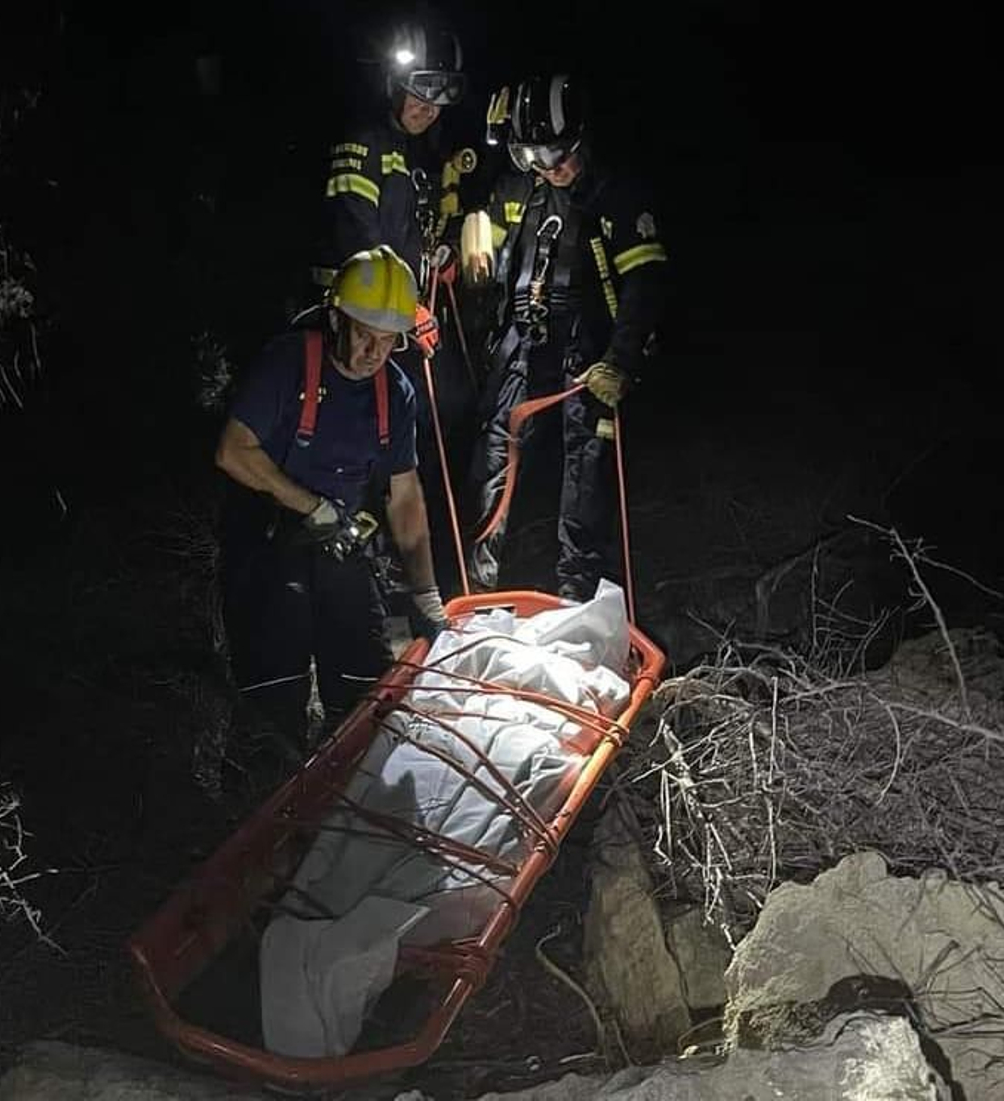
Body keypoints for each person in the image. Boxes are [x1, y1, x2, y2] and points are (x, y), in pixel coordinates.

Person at [216, 245, 447, 750]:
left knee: (366, 692)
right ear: (336, 316)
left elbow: (404, 496)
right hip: (271, 543)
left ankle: (348, 794)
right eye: (364, 334)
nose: (373, 354)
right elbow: (233, 451)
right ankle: (262, 796)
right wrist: (311, 506)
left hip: (341, 543)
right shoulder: (289, 364)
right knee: (272, 694)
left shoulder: (396, 392)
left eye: (388, 342)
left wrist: (426, 592)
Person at [459, 72, 669, 599]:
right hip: (523, 343)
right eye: (537, 158)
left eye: (561, 156)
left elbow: (644, 281)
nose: (552, 170)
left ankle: (579, 594)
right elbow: (483, 214)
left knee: (588, 470)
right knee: (492, 453)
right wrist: (472, 238)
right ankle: (473, 585)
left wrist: (621, 361)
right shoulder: (522, 188)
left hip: (588, 350)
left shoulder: (614, 195)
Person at [311, 17, 479, 599]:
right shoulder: (363, 143)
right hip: (360, 331)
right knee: (367, 445)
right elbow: (358, 241)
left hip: (400, 331)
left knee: (433, 423)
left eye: (440, 99)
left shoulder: (413, 153)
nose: (428, 109)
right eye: (420, 93)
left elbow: (412, 235)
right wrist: (407, 311)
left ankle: (423, 575)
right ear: (394, 82)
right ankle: (364, 576)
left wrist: (441, 260)